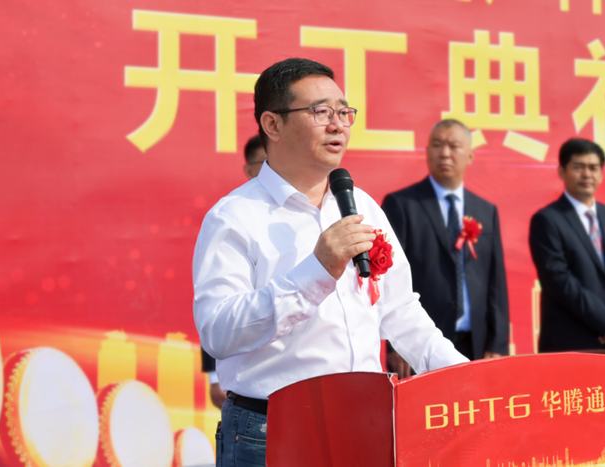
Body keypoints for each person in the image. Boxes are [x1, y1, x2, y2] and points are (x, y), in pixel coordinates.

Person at [193, 58, 467, 466]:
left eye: (344, 112)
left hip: (365, 423)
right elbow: (218, 332)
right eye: (321, 112)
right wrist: (316, 271)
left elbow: (400, 311)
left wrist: (465, 377)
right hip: (270, 431)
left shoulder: (362, 206)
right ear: (272, 124)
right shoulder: (234, 217)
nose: (338, 125)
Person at [381, 120, 509, 376]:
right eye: (437, 145)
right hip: (421, 346)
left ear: (470, 155)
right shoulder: (401, 204)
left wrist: (497, 344)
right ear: (427, 151)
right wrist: (397, 346)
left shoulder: (486, 210)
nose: (445, 153)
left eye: (454, 146)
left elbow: (496, 282)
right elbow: (388, 277)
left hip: (476, 343)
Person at [528, 138, 605, 352]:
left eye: (593, 168)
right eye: (578, 167)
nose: (587, 174)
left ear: (601, 174)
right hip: (571, 341)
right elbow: (559, 280)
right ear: (562, 172)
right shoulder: (547, 219)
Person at [201, 134, 268, 410]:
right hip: (249, 392)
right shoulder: (231, 215)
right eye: (264, 163)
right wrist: (213, 376)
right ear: (248, 170)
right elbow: (216, 308)